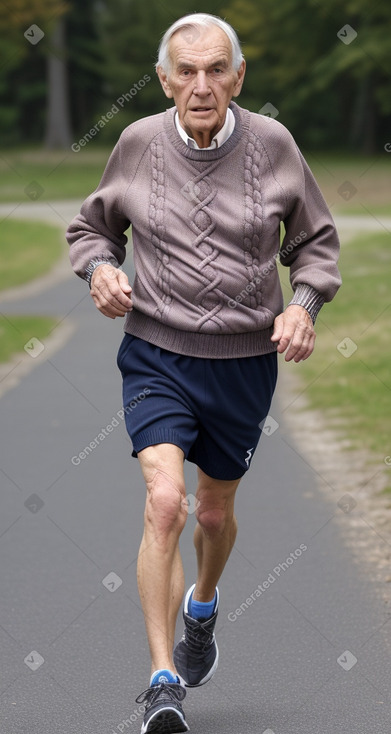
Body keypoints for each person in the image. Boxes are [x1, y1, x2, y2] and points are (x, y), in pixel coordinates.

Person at [67, 12, 341, 733]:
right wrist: (99, 268)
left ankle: (203, 607)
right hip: (155, 354)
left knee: (212, 512)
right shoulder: (137, 145)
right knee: (165, 502)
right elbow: (92, 227)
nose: (200, 85)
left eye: (216, 69)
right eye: (184, 72)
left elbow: (314, 243)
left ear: (239, 77)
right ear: (162, 80)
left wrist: (304, 306)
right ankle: (162, 680)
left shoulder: (274, 146)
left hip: (243, 364)